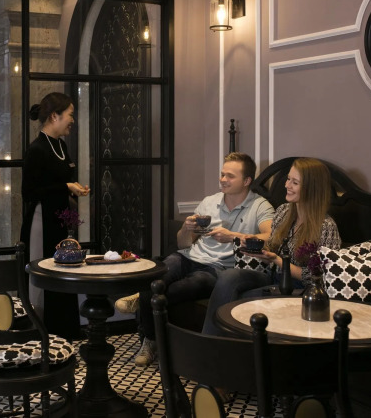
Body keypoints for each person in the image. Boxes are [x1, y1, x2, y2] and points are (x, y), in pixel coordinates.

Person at [117, 152, 274, 366]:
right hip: (188, 256)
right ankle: (150, 336)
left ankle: (145, 310)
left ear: (247, 181)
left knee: (169, 289)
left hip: (218, 269)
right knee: (153, 275)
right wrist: (186, 228)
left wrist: (233, 237)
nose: (223, 179)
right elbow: (183, 244)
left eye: (230, 176)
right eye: (222, 174)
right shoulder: (209, 202)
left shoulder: (260, 206)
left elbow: (270, 237)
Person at [201, 157, 341, 336]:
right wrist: (255, 246)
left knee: (241, 300)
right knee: (230, 276)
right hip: (273, 277)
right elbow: (273, 247)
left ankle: (222, 346)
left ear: (311, 188)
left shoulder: (326, 227)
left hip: (299, 289)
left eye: (295, 182)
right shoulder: (283, 211)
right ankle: (209, 341)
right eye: (288, 179)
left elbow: (322, 278)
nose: (287, 185)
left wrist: (277, 260)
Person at [20, 92, 90, 339]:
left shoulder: (61, 146)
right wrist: (65, 187)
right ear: (54, 116)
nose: (73, 120)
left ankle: (65, 334)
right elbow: (28, 192)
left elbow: (59, 182)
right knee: (45, 276)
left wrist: (74, 187)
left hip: (60, 221)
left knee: (64, 274)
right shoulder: (36, 149)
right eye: (70, 115)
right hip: (41, 222)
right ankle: (41, 337)